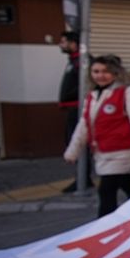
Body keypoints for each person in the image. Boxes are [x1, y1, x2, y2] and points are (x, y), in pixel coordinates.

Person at [63, 56, 130, 217]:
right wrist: (73, 151)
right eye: (96, 71)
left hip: (123, 152)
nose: (100, 76)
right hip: (102, 152)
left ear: (116, 73)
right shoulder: (93, 95)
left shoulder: (129, 92)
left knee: (106, 191)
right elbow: (84, 125)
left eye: (105, 71)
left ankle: (102, 224)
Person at [58, 31, 92, 191]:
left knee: (79, 141)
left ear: (73, 43)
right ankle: (82, 177)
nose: (61, 45)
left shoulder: (82, 61)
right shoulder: (74, 60)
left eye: (63, 41)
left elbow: (87, 83)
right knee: (74, 140)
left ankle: (83, 179)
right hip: (73, 107)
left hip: (79, 107)